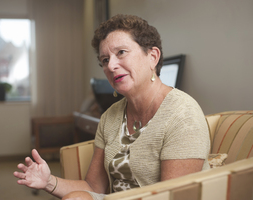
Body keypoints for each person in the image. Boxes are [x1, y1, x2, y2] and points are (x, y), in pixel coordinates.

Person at [14, 14, 210, 200]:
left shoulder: (183, 114)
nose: (111, 66)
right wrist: (48, 181)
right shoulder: (110, 117)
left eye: (121, 53)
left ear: (153, 56)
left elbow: (171, 196)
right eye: (105, 60)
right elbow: (93, 187)